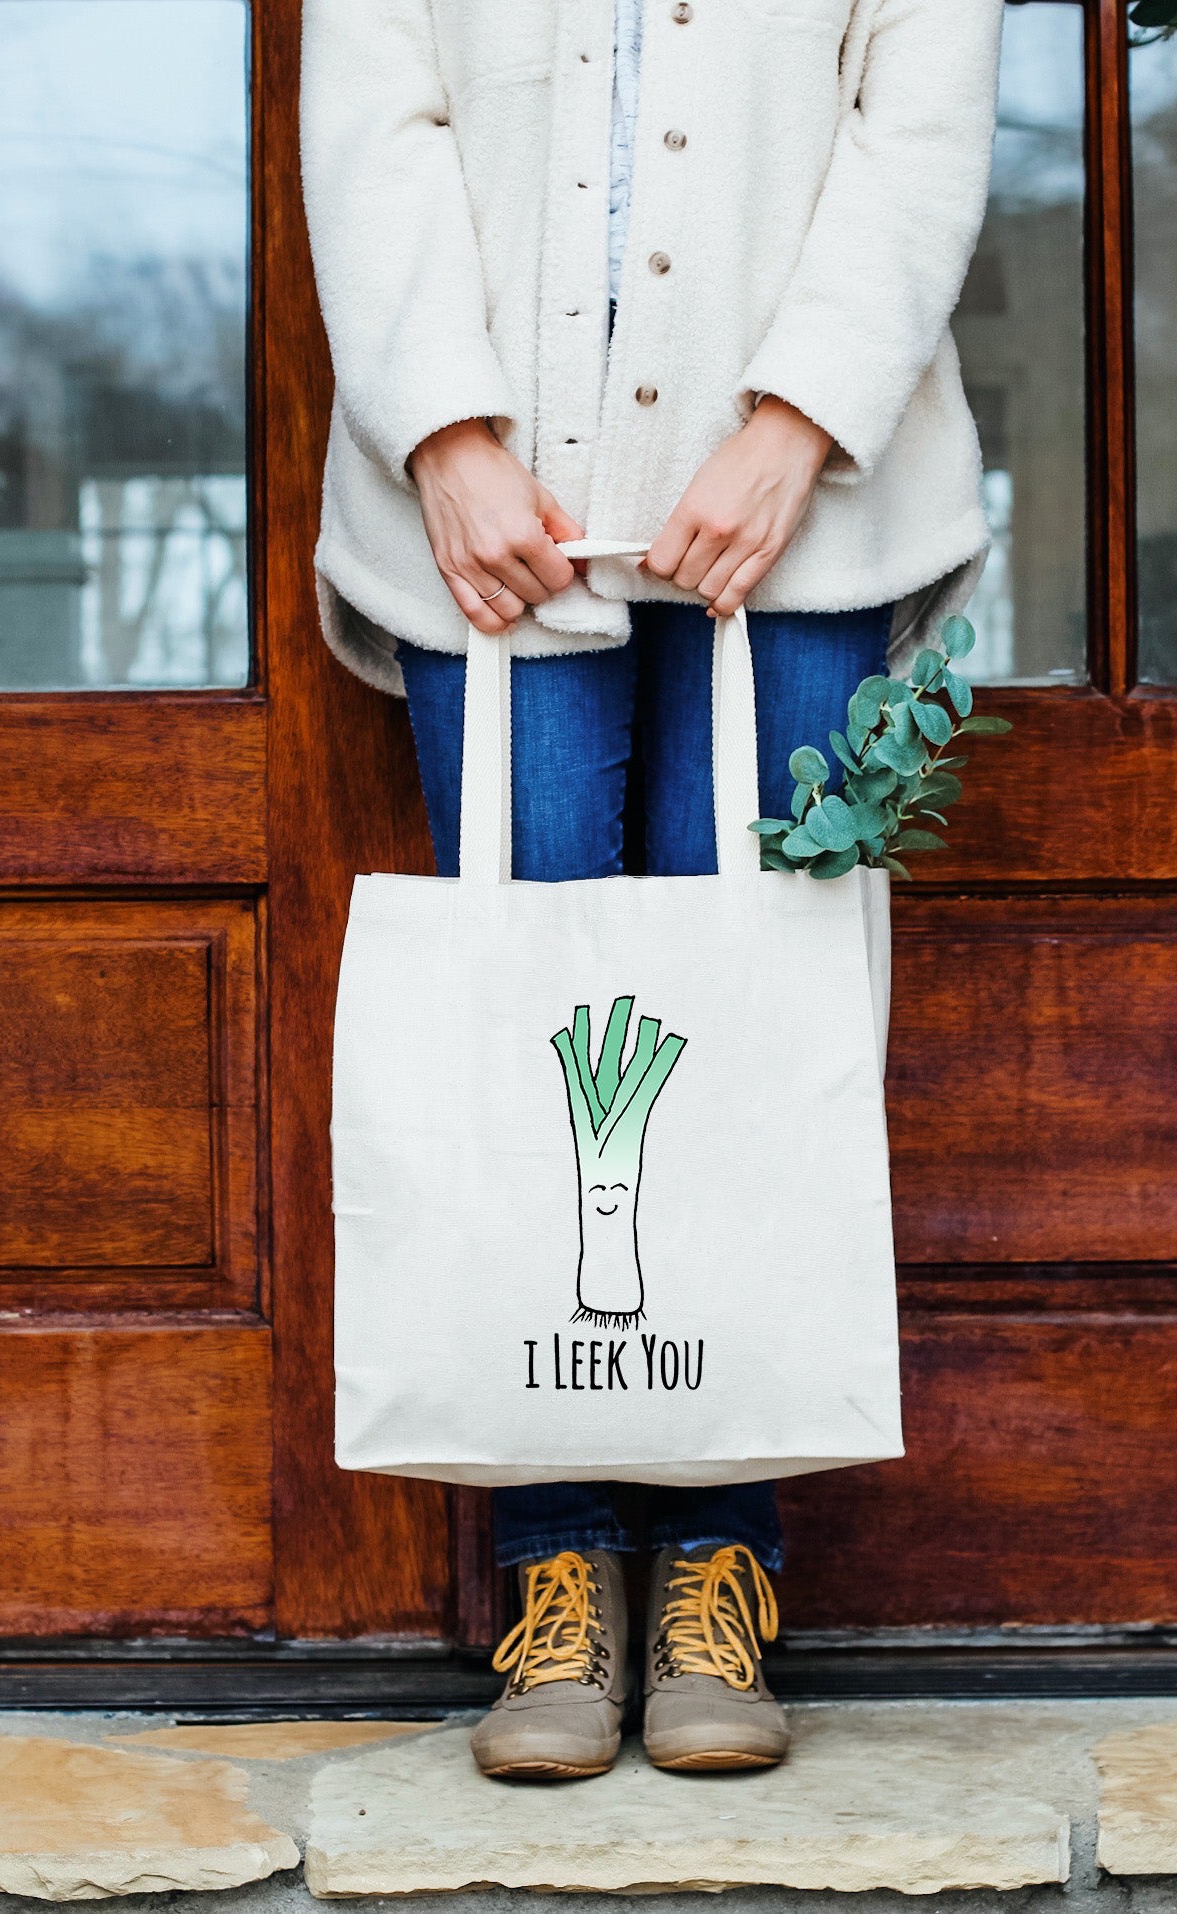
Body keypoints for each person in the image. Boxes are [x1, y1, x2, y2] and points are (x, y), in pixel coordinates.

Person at [301, 0, 1002, 1780]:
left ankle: (720, 1569)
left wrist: (795, 424)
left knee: (757, 1032)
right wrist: (444, 437)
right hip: (491, 517)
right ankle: (554, 1575)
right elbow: (381, 121)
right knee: (535, 1048)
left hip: (810, 509)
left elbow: (914, 124)